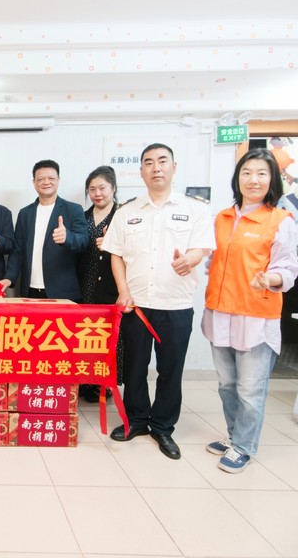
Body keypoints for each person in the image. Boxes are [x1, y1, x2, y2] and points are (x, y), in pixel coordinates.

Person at [102, 143, 214, 460]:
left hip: (175, 305)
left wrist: (190, 259)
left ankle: (163, 427)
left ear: (174, 167)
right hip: (137, 305)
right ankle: (136, 421)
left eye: (162, 161)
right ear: (141, 171)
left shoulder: (195, 210)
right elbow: (116, 255)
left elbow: (201, 248)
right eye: (149, 163)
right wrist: (123, 290)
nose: (156, 168)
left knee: (170, 370)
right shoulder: (127, 212)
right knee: (135, 367)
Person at [202, 148, 298, 473]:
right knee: (227, 385)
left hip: (256, 316)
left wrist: (270, 279)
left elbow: (288, 268)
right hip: (220, 313)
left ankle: (244, 446)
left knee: (250, 389)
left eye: (261, 173)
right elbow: (214, 261)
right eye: (247, 172)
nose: (253, 179)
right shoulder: (222, 218)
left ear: (272, 180)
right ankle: (234, 436)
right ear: (238, 178)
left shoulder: (279, 220)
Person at [0, 159, 88, 299]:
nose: (46, 182)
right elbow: (18, 250)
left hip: (62, 291)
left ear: (58, 180)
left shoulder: (73, 209)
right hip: (30, 290)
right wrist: (9, 277)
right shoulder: (25, 213)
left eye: (51, 178)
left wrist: (67, 237)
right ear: (34, 182)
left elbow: (83, 242)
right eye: (40, 179)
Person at [77, 165, 122, 403]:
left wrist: (111, 244)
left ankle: (106, 383)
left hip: (111, 283)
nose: (97, 194)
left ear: (113, 188)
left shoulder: (122, 216)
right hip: (85, 282)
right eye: (92, 189)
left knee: (109, 336)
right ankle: (87, 380)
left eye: (102, 188)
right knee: (87, 334)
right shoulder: (82, 216)